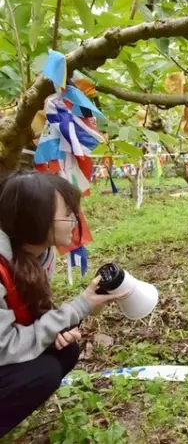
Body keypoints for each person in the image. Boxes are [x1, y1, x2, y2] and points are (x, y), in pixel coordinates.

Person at [0, 172, 127, 437]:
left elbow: (31, 315)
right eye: (67, 214)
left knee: (63, 352)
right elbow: (4, 347)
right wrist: (78, 308)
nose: (75, 221)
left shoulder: (39, 255)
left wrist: (58, 328)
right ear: (37, 218)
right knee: (43, 373)